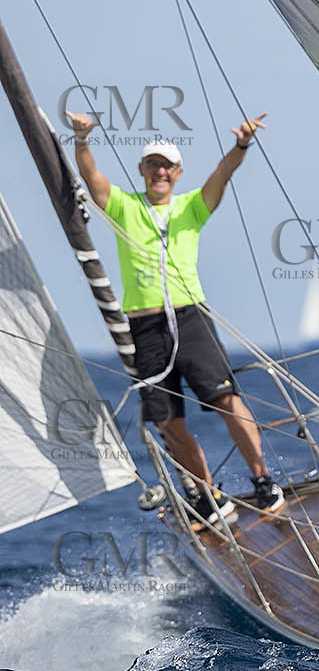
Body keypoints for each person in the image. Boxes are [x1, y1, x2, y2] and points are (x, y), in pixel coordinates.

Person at [69, 110, 285, 522]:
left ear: (178, 173)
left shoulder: (192, 208)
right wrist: (81, 139)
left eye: (167, 166)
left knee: (226, 399)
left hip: (190, 319)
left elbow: (223, 175)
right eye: (153, 165)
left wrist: (241, 144)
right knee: (167, 420)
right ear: (142, 170)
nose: (160, 171)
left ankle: (263, 481)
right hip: (145, 327)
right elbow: (93, 180)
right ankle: (208, 495)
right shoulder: (124, 207)